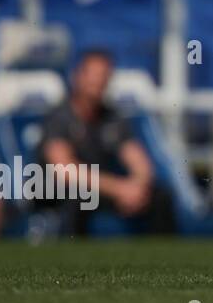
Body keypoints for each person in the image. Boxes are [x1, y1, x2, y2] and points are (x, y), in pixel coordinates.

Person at [39, 49, 175, 236]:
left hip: (103, 190)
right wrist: (119, 189)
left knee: (160, 197)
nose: (98, 81)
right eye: (93, 75)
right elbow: (65, 170)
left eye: (104, 75)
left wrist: (138, 187)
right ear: (79, 76)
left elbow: (139, 160)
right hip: (57, 192)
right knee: (77, 195)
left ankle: (161, 260)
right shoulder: (59, 118)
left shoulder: (112, 118)